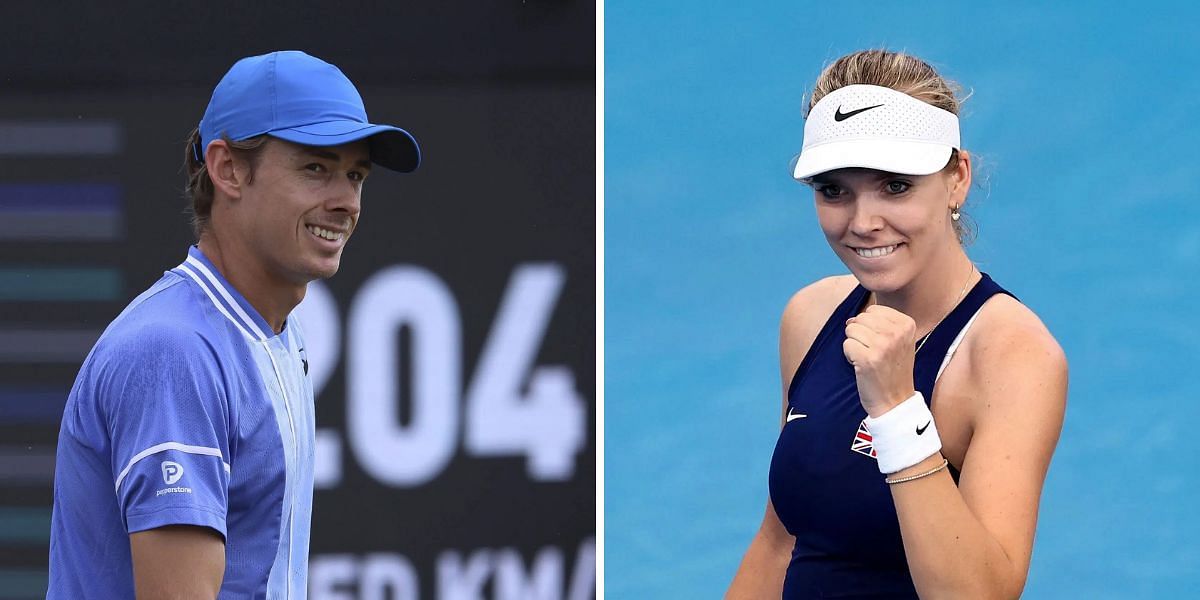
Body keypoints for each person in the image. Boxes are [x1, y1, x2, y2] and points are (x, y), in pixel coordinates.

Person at [47, 50, 420, 598]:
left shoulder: (275, 334)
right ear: (227, 169)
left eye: (356, 175)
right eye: (316, 167)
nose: (345, 201)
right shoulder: (175, 350)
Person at [726, 49, 1067, 599]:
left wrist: (897, 410)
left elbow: (980, 595)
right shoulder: (810, 317)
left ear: (957, 179)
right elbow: (780, 541)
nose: (862, 223)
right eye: (834, 190)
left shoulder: (1012, 355)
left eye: (895, 186)